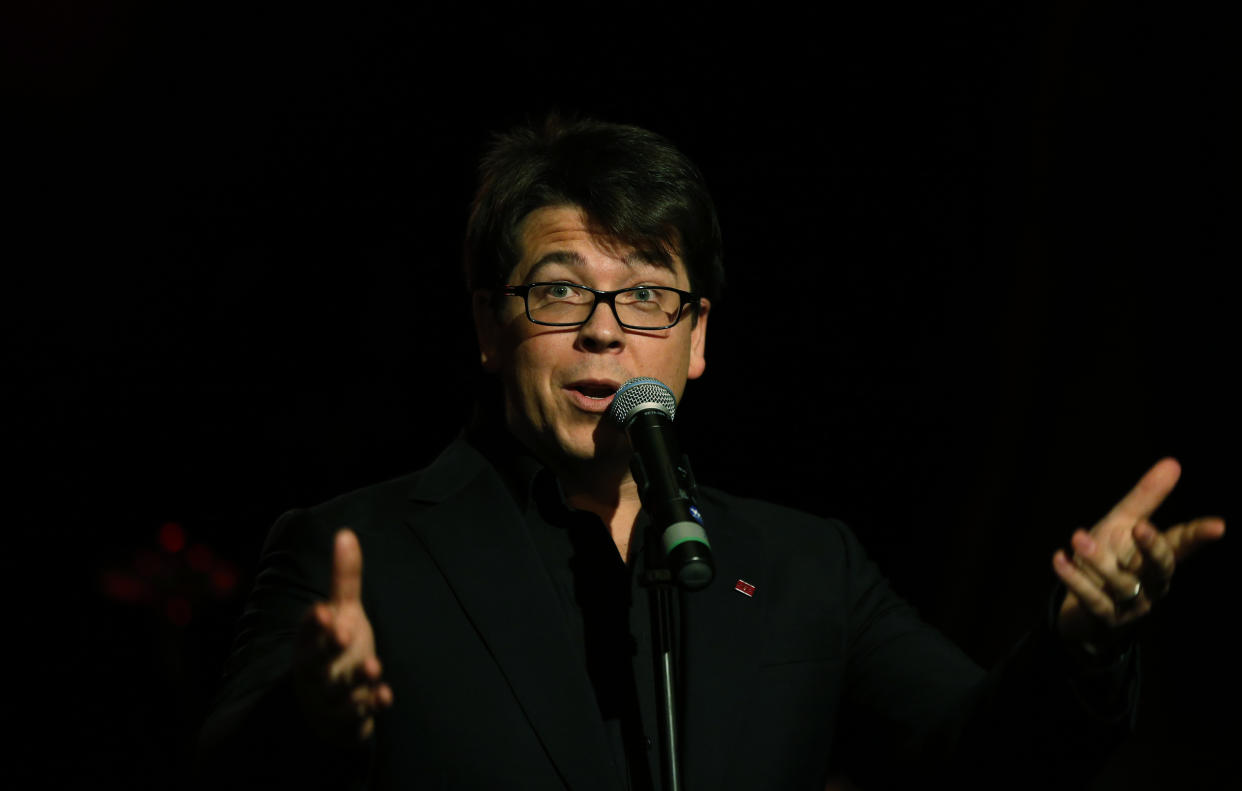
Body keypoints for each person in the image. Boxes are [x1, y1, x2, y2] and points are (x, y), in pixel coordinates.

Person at [198, 115, 1225, 790]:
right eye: (561, 290)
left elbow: (984, 757)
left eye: (647, 294)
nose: (606, 331)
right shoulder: (357, 547)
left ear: (697, 338)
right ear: (488, 322)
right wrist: (314, 713)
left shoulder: (802, 565)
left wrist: (1084, 639)